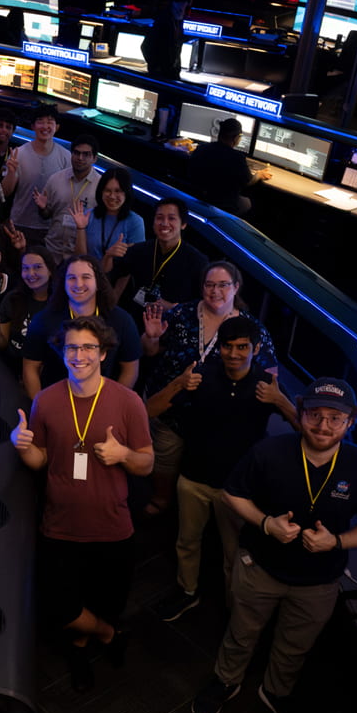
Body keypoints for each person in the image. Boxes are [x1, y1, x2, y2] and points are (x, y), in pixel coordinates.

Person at [192, 378, 357, 713]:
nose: (323, 425)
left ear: (352, 421)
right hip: (260, 568)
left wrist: (337, 542)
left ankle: (276, 693)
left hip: (319, 582)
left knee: (296, 645)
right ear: (300, 414)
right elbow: (231, 496)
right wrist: (267, 524)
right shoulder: (269, 452)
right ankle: (226, 681)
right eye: (315, 414)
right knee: (241, 631)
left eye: (335, 418)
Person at [9, 317, 152, 691]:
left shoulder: (127, 402)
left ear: (103, 353)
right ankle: (108, 634)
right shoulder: (48, 399)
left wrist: (122, 454)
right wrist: (23, 447)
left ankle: (85, 643)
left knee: (106, 598)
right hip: (59, 526)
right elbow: (41, 460)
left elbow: (147, 462)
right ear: (63, 353)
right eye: (72, 347)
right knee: (59, 605)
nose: (79, 355)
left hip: (112, 526)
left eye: (88, 347)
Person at [146, 315, 295, 622]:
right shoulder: (201, 374)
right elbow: (149, 410)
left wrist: (280, 401)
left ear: (255, 349)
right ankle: (187, 592)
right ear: (220, 349)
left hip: (239, 490)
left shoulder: (266, 385)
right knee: (187, 541)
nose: (234, 354)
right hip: (194, 478)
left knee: (235, 555)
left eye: (242, 347)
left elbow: (304, 432)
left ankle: (234, 607)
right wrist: (179, 383)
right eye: (228, 347)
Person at [141, 260, 281, 515]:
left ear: (236, 287)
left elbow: (270, 375)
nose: (215, 291)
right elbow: (150, 352)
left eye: (223, 285)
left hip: (216, 415)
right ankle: (162, 499)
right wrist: (150, 337)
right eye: (209, 284)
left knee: (204, 471)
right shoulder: (181, 314)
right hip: (171, 405)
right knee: (165, 458)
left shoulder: (253, 329)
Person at [21, 256, 142, 399]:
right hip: (56, 400)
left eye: (86, 277)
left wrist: (113, 403)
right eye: (71, 278)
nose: (78, 284)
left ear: (98, 282)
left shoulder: (122, 320)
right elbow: (30, 367)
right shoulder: (43, 320)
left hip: (103, 399)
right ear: (63, 283)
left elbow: (130, 368)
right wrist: (40, 406)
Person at [112, 198, 210, 317]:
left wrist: (173, 308)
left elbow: (204, 304)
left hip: (173, 327)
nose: (164, 223)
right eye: (159, 217)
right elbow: (110, 273)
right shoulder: (140, 250)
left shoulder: (197, 261)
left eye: (171, 218)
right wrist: (109, 255)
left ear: (183, 224)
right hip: (137, 320)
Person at [4, 106, 72, 252]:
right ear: (33, 126)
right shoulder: (18, 154)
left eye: (50, 122)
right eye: (40, 121)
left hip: (52, 228)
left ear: (57, 127)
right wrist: (11, 172)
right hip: (21, 224)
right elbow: (5, 192)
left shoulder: (66, 157)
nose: (45, 126)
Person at [189, 116, 270, 215]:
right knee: (248, 203)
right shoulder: (237, 158)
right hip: (223, 204)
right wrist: (258, 175)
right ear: (236, 138)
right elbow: (248, 182)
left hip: (199, 198)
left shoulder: (201, 148)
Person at [41, 136, 100, 267]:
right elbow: (46, 215)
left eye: (86, 155)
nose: (80, 158)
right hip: (53, 250)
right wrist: (42, 208)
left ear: (94, 158)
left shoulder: (100, 186)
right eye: (77, 153)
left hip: (81, 255)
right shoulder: (56, 179)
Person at [83, 167, 147, 277]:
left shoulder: (135, 222)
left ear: (126, 193)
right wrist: (80, 228)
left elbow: (131, 269)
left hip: (115, 281)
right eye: (108, 190)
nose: (112, 196)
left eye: (118, 191)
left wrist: (114, 294)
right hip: (86, 276)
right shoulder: (89, 215)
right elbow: (80, 256)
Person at [0, 250, 54, 367]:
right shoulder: (13, 299)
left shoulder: (59, 304)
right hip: (9, 367)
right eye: (25, 268)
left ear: (50, 270)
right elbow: (1, 344)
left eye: (37, 267)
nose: (31, 274)